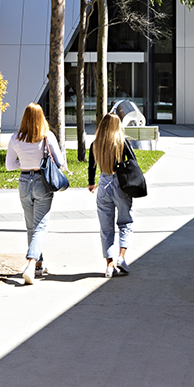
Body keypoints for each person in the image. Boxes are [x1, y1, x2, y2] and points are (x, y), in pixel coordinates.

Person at [4, 103, 67, 285]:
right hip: (42, 182)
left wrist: (24, 164)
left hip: (24, 182)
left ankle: (38, 264)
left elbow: (9, 165)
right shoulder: (47, 137)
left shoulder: (16, 138)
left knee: (31, 226)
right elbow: (60, 162)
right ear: (41, 118)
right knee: (40, 226)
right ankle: (31, 264)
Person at [88, 111, 136, 278]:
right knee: (125, 222)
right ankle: (121, 258)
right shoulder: (121, 142)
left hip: (103, 183)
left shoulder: (95, 144)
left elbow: (91, 167)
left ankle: (109, 265)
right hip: (120, 185)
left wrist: (91, 183)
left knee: (106, 228)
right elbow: (133, 161)